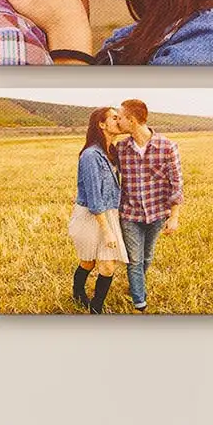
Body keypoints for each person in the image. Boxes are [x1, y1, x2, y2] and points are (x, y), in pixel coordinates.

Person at [114, 99, 183, 312]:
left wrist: (174, 216)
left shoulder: (167, 146)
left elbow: (176, 183)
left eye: (120, 117)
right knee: (134, 260)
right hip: (130, 214)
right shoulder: (120, 148)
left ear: (132, 120)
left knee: (146, 257)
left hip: (157, 214)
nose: (117, 121)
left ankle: (136, 285)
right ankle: (139, 302)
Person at [69, 107, 128, 314]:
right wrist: (107, 230)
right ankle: (78, 293)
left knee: (107, 266)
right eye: (114, 118)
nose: (119, 120)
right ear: (101, 124)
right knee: (88, 261)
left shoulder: (112, 152)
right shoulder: (90, 155)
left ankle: (96, 308)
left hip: (108, 212)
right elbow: (94, 198)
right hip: (90, 215)